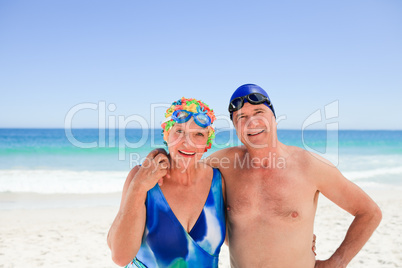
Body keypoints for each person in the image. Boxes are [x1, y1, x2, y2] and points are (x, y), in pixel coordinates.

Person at [204, 84, 382, 267]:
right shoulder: (223, 163)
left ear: (274, 118)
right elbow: (181, 173)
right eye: (242, 117)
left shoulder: (310, 166)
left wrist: (337, 261)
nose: (252, 122)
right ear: (235, 127)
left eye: (259, 112)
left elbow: (369, 212)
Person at [107, 98, 226, 267]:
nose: (187, 141)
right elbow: (120, 256)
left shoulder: (219, 183)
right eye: (179, 131)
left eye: (198, 134)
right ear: (166, 134)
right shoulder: (142, 177)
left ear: (207, 142)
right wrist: (139, 187)